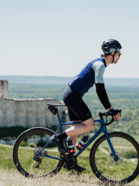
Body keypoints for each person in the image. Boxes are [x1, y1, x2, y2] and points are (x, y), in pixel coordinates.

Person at [51, 39, 122, 171]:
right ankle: (58, 137)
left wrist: (109, 108)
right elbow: (100, 89)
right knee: (90, 125)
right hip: (73, 95)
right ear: (112, 52)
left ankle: (70, 162)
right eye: (119, 53)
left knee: (74, 131)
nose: (120, 56)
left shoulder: (99, 64)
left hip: (72, 94)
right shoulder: (100, 65)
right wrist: (110, 109)